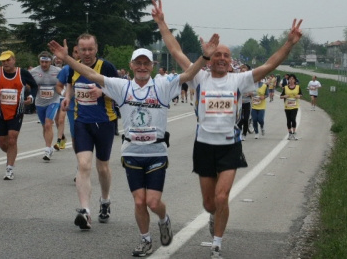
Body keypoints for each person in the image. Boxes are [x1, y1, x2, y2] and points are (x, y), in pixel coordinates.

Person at [152, 0, 303, 259]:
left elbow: (270, 65)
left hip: (229, 146)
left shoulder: (239, 79)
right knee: (209, 203)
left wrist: (288, 43)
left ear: (230, 61)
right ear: (209, 58)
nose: (221, 59)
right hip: (204, 146)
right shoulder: (200, 75)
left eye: (226, 56)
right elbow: (176, 52)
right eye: (217, 55)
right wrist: (163, 23)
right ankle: (214, 217)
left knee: (222, 198)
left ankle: (217, 245)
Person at [48, 32, 219, 257]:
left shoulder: (163, 85)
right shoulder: (121, 86)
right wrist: (68, 59)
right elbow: (90, 73)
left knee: (153, 202)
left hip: (156, 153)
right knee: (139, 201)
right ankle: (145, 240)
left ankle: (164, 219)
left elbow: (188, 74)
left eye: (145, 63)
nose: (141, 67)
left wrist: (205, 58)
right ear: (131, 65)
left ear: (152, 66)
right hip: (131, 153)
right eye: (137, 63)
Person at [60, 34, 118, 230]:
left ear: (96, 48)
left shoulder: (107, 67)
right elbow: (70, 84)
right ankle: (85, 212)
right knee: (83, 165)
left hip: (104, 122)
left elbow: (120, 90)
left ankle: (105, 200)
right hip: (82, 122)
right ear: (78, 49)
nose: (86, 53)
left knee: (102, 167)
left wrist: (103, 92)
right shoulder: (72, 67)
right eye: (83, 49)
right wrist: (67, 97)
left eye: (90, 49)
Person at [0, 50, 38, 180]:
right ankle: (12, 153)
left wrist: (31, 97)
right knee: (2, 143)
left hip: (17, 111)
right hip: (0, 112)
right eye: (3, 61)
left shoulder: (22, 73)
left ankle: (9, 168)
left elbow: (34, 86)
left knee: (12, 139)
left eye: (8, 60)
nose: (5, 63)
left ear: (14, 60)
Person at [30, 52, 62, 160]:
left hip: (53, 100)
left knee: (49, 124)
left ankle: (48, 149)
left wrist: (64, 93)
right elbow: (28, 85)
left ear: (50, 62)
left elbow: (64, 83)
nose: (44, 64)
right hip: (40, 102)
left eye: (46, 62)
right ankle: (48, 145)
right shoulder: (34, 71)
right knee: (44, 126)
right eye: (42, 62)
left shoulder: (57, 71)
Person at [280, 74, 303, 140]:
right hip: (287, 106)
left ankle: (294, 133)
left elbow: (301, 94)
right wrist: (285, 96)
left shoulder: (298, 87)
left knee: (293, 118)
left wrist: (299, 96)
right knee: (288, 120)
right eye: (290, 79)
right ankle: (290, 133)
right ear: (288, 80)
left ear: (295, 80)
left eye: (292, 79)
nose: (291, 80)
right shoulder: (286, 87)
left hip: (295, 106)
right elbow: (281, 96)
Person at [237, 64, 254, 140]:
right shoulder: (236, 79)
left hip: (247, 102)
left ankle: (244, 134)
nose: (243, 70)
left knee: (245, 119)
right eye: (242, 69)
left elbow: (256, 91)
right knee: (239, 119)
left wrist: (251, 93)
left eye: (245, 69)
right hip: (239, 103)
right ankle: (239, 132)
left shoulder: (250, 81)